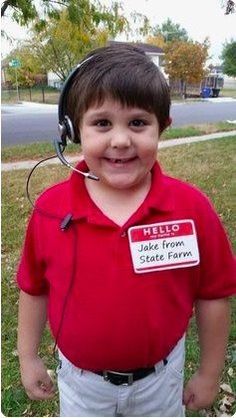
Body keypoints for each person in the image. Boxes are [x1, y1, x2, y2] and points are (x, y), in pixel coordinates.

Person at [17, 44, 236, 417]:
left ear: (161, 127)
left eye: (138, 123)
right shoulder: (52, 210)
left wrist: (209, 373)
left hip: (160, 383)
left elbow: (214, 295)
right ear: (71, 129)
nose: (120, 140)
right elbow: (34, 288)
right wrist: (27, 355)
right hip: (82, 386)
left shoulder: (191, 209)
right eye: (102, 123)